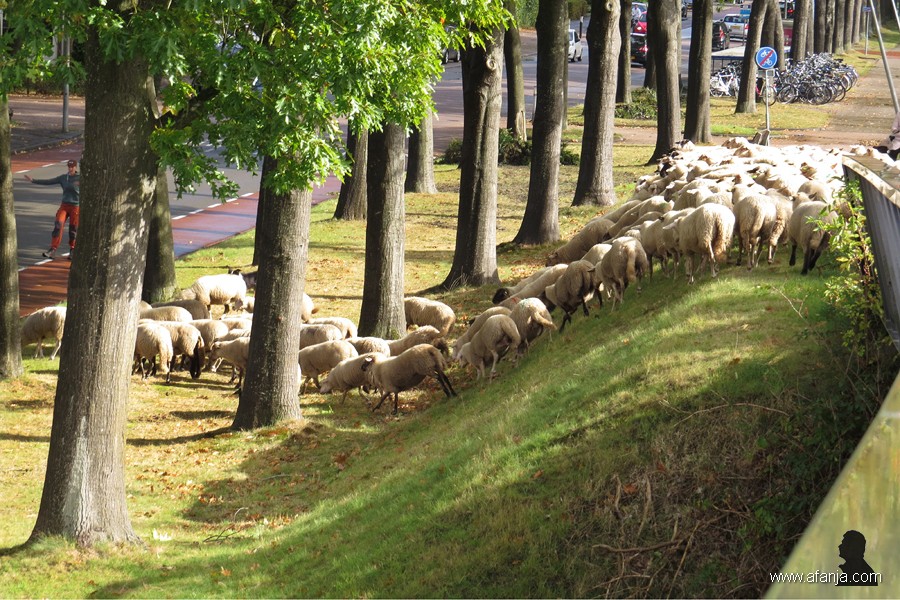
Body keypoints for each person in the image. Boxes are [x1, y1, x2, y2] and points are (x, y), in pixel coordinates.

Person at [25, 159, 81, 260]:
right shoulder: (63, 178)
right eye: (69, 166)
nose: (70, 168)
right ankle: (52, 250)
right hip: (64, 205)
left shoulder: (80, 178)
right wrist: (33, 180)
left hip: (75, 206)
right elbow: (49, 181)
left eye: (72, 167)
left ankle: (73, 250)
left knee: (73, 229)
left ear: (76, 167)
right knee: (58, 225)